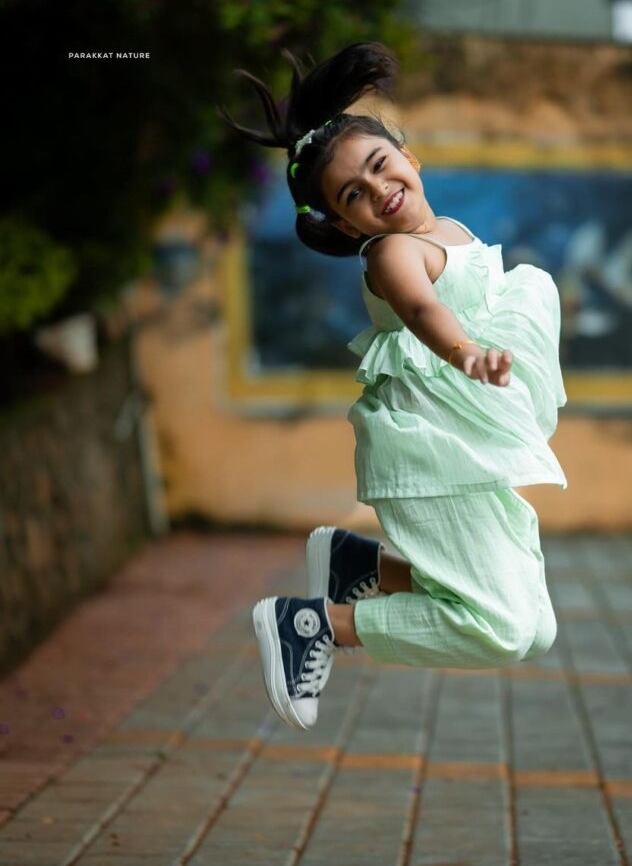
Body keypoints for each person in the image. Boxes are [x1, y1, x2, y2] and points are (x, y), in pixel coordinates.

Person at [218, 42, 567, 731]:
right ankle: (313, 624)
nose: (378, 190)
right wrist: (467, 353)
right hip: (431, 454)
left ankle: (359, 564)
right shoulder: (392, 251)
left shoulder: (448, 231)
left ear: (410, 158)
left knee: (534, 629)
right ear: (347, 227)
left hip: (468, 453)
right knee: (497, 627)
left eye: (380, 166)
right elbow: (423, 311)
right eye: (354, 195)